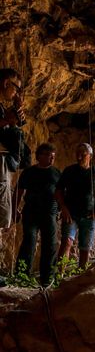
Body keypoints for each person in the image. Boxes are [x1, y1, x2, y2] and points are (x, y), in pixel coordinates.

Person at [13, 143, 61, 285]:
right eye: (48, 155)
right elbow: (19, 192)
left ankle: (47, 280)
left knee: (50, 245)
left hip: (50, 213)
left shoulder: (57, 173)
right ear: (39, 156)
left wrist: (60, 209)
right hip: (31, 212)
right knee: (29, 242)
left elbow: (62, 193)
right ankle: (22, 276)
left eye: (53, 156)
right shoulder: (28, 172)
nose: (51, 158)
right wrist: (15, 209)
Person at [56, 143, 95, 268]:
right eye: (77, 154)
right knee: (67, 242)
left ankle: (81, 275)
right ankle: (59, 275)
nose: (79, 157)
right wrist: (63, 208)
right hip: (71, 214)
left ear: (90, 155)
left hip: (89, 215)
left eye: (82, 154)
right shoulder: (69, 171)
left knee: (85, 247)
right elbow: (58, 191)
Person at [0, 68, 26, 230]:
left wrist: (13, 119)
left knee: (4, 214)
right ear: (5, 83)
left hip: (3, 161)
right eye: (16, 88)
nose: (16, 93)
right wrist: (6, 121)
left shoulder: (2, 107)